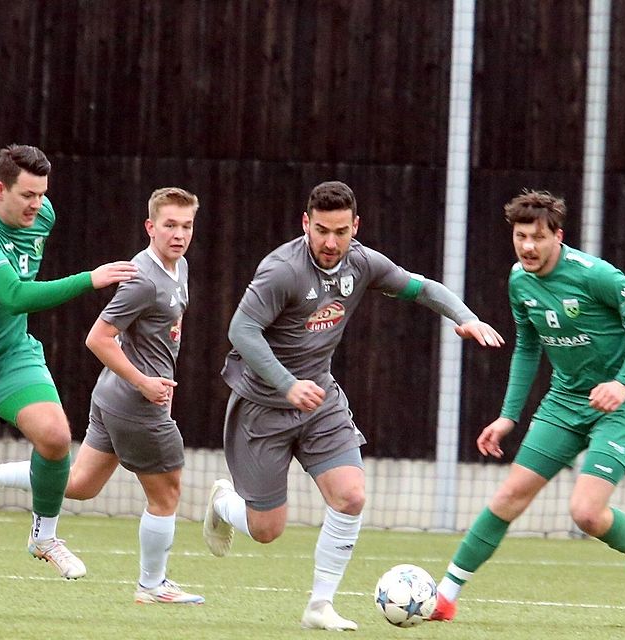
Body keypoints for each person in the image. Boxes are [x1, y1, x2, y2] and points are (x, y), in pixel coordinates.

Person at [202, 180, 505, 630]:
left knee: (351, 496)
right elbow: (242, 331)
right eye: (321, 230)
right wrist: (287, 385)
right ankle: (225, 504)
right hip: (264, 405)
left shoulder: (362, 264)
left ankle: (319, 606)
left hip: (320, 400)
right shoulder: (280, 271)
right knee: (267, 530)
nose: (330, 242)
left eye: (340, 231)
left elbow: (422, 288)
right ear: (305, 223)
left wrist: (467, 318)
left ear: (355, 226)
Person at [429, 189, 625, 622]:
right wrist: (508, 416)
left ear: (558, 236)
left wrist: (621, 382)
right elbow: (527, 346)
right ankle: (444, 596)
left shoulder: (596, 276)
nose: (527, 246)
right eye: (521, 236)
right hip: (563, 402)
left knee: (586, 512)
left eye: (537, 237)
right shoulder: (519, 280)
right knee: (508, 496)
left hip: (622, 404)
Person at [0, 144, 138, 614]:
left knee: (56, 437)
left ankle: (45, 536)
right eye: (27, 195)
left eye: (42, 194)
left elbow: (15, 304)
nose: (36, 205)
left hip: (11, 353)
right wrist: (89, 279)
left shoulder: (43, 215)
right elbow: (14, 294)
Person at [0, 187, 204, 605]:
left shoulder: (179, 267)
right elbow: (98, 338)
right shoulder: (143, 280)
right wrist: (144, 382)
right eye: (169, 225)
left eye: (186, 226)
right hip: (135, 401)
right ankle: (152, 586)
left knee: (79, 484)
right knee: (166, 493)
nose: (179, 234)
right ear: (150, 227)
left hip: (112, 397)